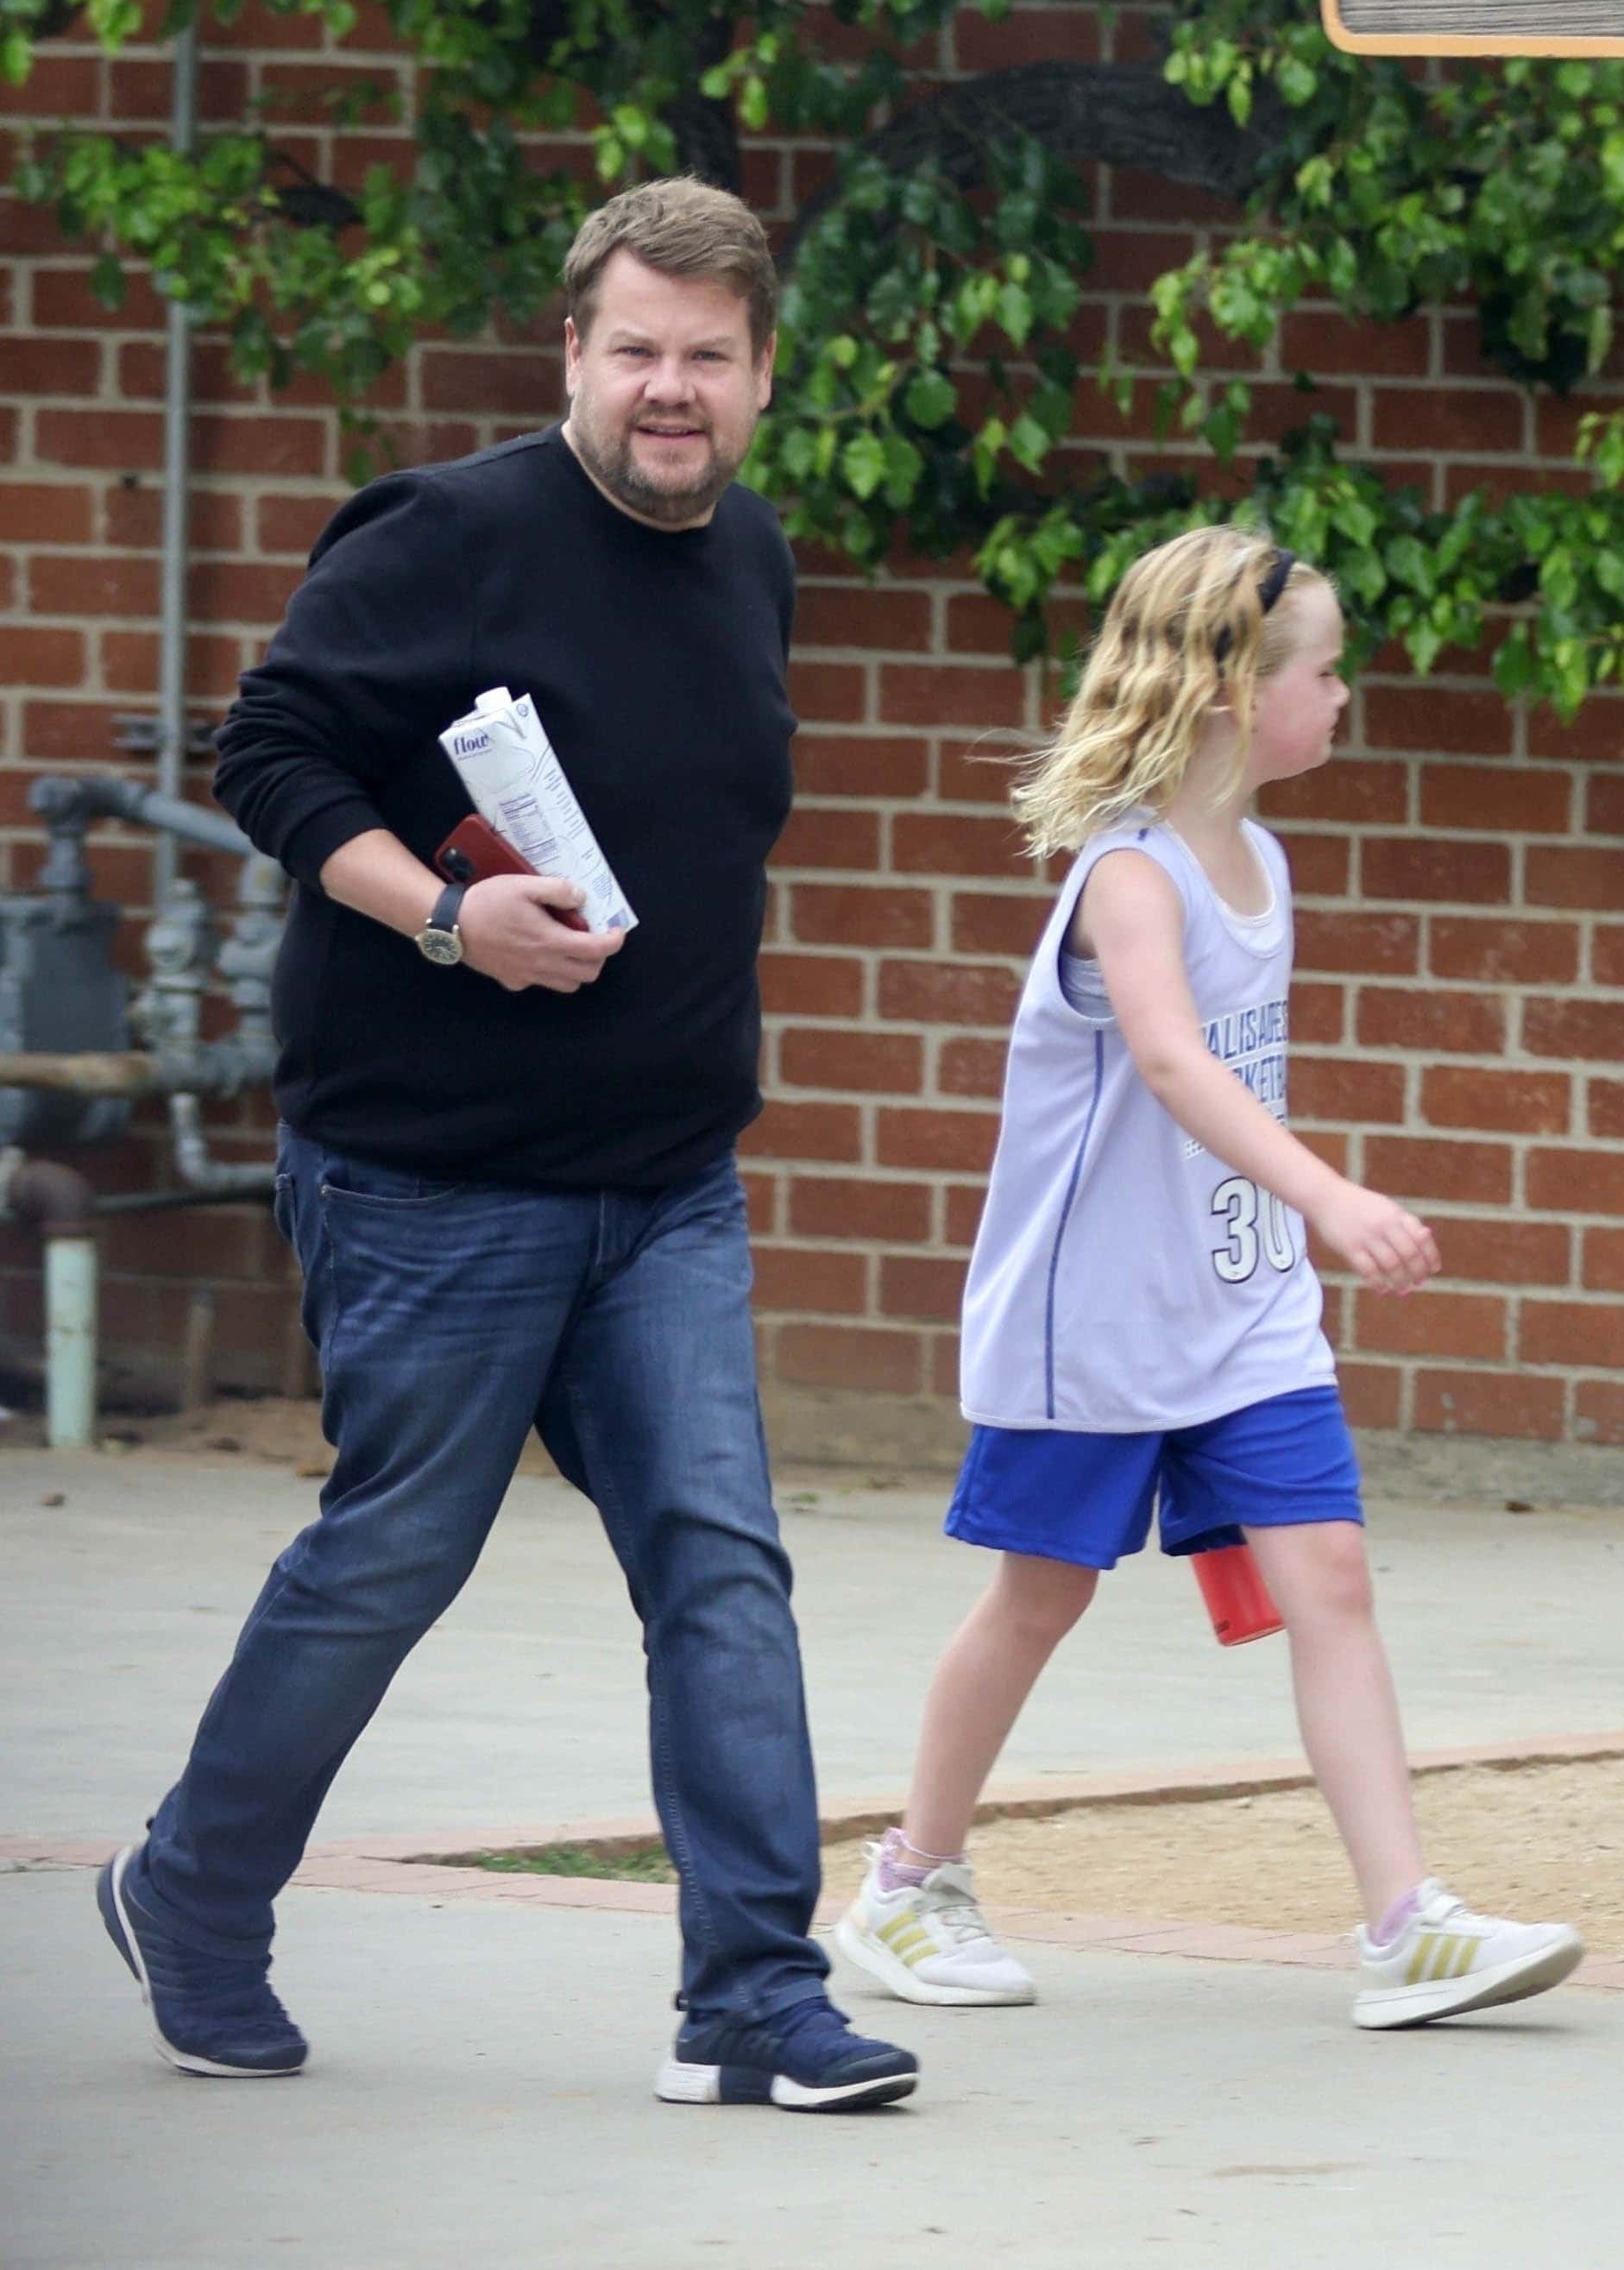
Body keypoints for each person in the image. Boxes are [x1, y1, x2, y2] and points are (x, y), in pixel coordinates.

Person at [96, 177, 918, 2114]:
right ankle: (192, 1887)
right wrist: (448, 919)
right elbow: (269, 758)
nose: (667, 388)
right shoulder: (444, 532)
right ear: (570, 350)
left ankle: (751, 2000)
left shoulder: (752, 561)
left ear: (761, 374)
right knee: (393, 1552)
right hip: (431, 1177)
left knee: (722, 1563)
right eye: (632, 347)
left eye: (705, 357)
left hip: (664, 1183)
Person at [836, 527, 1583, 2031]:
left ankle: (1402, 1926)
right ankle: (908, 1884)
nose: (1344, 694)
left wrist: (1285, 1228)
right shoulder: (1130, 871)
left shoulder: (1267, 860)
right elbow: (1172, 1061)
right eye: (1324, 670)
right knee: (1039, 1597)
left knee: (1331, 1578)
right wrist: (1327, 1195)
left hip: (1241, 1316)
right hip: (1094, 1330)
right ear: (1241, 690)